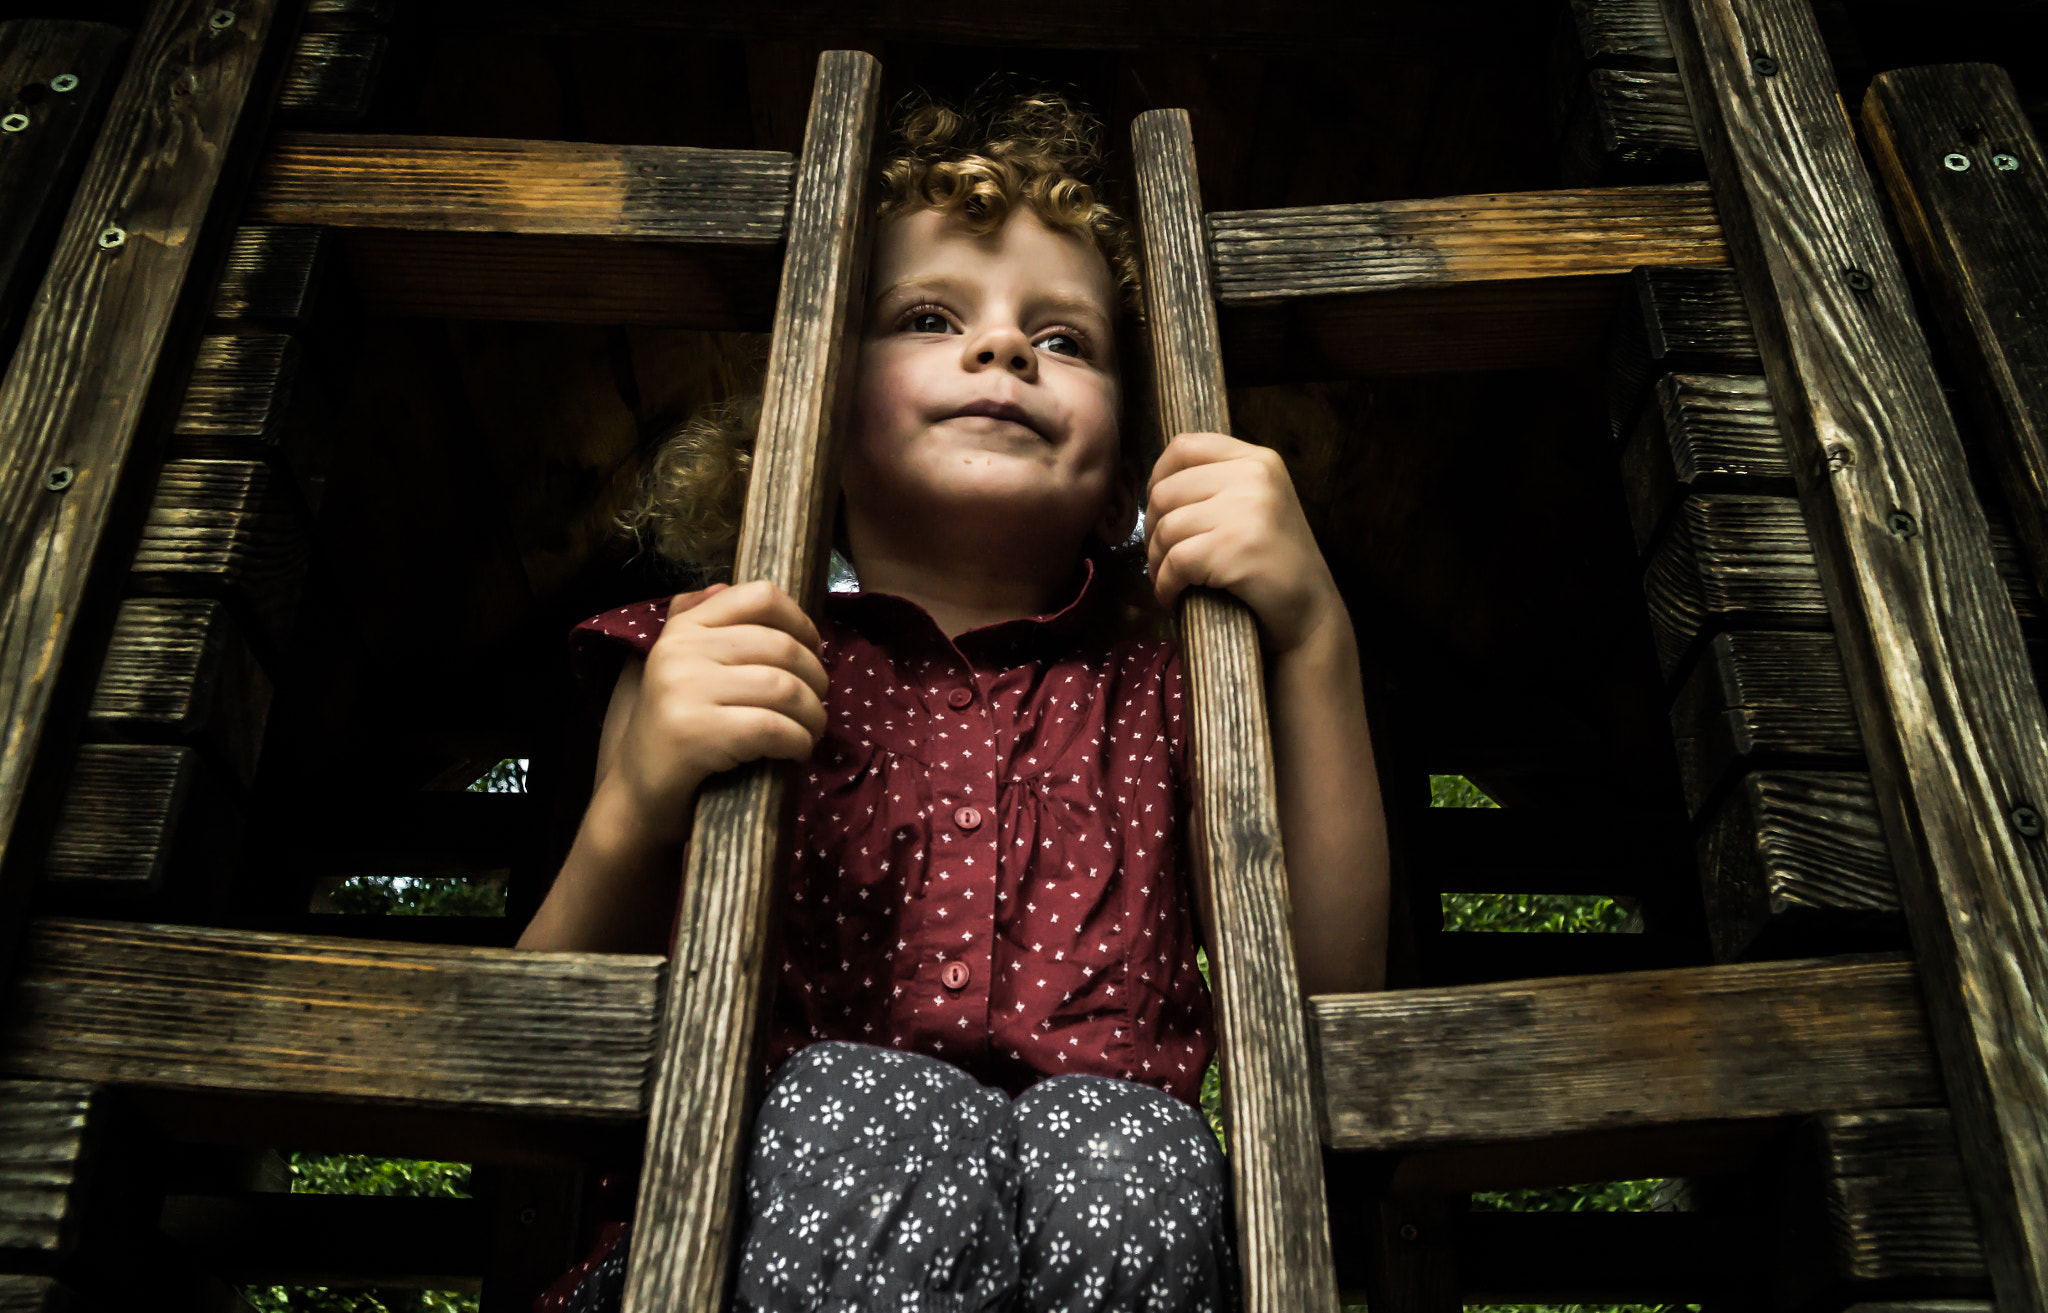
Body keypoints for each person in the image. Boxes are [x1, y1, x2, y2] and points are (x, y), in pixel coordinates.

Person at [520, 85, 1388, 1313]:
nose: (1002, 348)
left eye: (1067, 338)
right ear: (817, 417)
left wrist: (1312, 632)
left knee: (1138, 1150)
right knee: (866, 1106)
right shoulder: (716, 651)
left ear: (1123, 469)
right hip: (734, 1239)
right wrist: (636, 804)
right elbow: (534, 1050)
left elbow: (1330, 989)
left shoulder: (1175, 688)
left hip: (1115, 1231)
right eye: (930, 316)